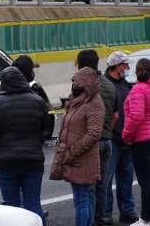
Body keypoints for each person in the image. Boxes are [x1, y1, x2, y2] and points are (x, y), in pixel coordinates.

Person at [0, 66, 50, 226]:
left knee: (12, 207)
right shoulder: (38, 101)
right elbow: (45, 128)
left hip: (6, 163)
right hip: (33, 161)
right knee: (33, 204)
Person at [50, 66, 105, 226]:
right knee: (83, 198)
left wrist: (72, 151)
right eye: (73, 81)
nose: (74, 84)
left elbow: (94, 134)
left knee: (81, 200)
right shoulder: (76, 101)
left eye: (77, 82)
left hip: (83, 158)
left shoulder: (94, 103)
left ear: (86, 83)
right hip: (77, 157)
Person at [77, 49, 119, 226]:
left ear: (79, 66)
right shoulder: (109, 85)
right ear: (97, 64)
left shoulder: (81, 86)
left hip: (89, 141)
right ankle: (100, 219)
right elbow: (116, 115)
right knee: (102, 184)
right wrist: (107, 130)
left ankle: (92, 221)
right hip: (106, 140)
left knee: (89, 186)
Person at [122, 58, 150, 226]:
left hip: (142, 140)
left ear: (137, 71)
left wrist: (127, 134)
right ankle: (149, 218)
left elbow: (136, 116)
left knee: (145, 182)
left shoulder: (137, 90)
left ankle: (145, 220)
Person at [104, 51, 139, 225]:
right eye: (126, 65)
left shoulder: (125, 84)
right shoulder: (104, 85)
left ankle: (127, 211)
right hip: (112, 139)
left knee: (126, 178)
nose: (128, 68)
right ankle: (105, 213)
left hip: (127, 138)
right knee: (106, 179)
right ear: (118, 66)